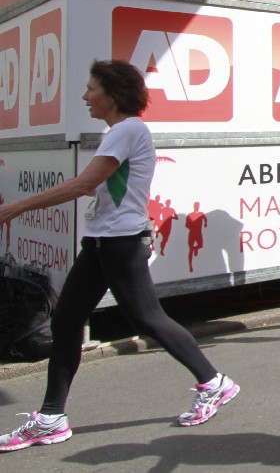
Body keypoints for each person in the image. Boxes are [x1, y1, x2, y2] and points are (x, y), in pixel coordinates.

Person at [0, 61, 239, 452]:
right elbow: (104, 188)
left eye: (91, 88)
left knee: (148, 319)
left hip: (120, 244)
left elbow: (84, 184)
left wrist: (15, 208)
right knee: (66, 322)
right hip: (102, 242)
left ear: (112, 95)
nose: (85, 96)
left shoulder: (128, 129)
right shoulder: (120, 132)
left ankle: (214, 383)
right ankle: (51, 418)